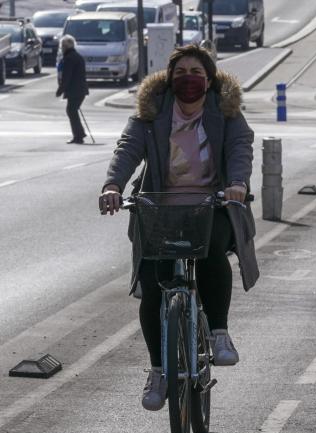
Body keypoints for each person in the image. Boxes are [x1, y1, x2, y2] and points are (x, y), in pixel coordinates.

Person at [99, 44, 259, 411]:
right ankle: (157, 370)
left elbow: (240, 148)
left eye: (197, 73)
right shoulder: (151, 113)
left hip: (212, 203)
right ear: (170, 79)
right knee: (154, 284)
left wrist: (238, 183)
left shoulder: (226, 112)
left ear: (209, 79)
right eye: (181, 72)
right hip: (160, 207)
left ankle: (219, 334)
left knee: (211, 251)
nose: (189, 79)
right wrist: (112, 186)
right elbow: (127, 150)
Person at [55, 35, 89, 144]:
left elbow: (67, 76)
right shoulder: (77, 56)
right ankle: (79, 134)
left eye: (62, 46)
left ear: (65, 46)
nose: (62, 48)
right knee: (72, 111)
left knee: (71, 111)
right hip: (79, 90)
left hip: (75, 90)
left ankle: (79, 135)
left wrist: (60, 90)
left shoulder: (69, 58)